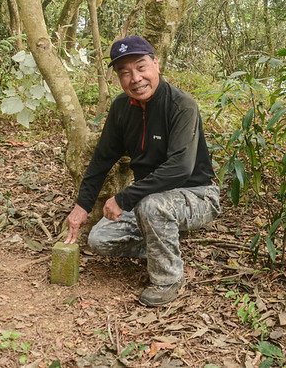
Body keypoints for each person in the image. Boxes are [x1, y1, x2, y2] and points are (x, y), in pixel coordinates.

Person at [64, 35, 221, 307]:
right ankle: (164, 241)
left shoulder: (181, 105)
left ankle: (167, 279)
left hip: (196, 194)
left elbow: (180, 168)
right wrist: (82, 206)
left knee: (152, 206)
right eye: (124, 73)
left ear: (156, 64)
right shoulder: (121, 108)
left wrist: (124, 198)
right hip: (147, 200)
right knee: (99, 240)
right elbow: (102, 159)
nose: (135, 78)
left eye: (140, 67)